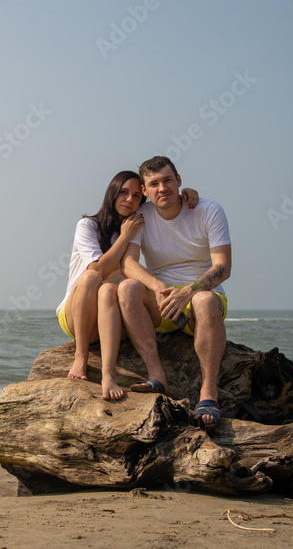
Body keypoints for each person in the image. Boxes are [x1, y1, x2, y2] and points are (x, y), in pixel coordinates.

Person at [57, 170, 198, 400]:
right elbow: (98, 270)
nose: (129, 200)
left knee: (109, 289)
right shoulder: (88, 225)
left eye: (135, 196)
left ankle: (108, 375)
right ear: (112, 192)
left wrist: (187, 195)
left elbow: (163, 205)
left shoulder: (137, 225)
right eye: (123, 193)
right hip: (77, 316)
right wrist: (123, 237)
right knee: (93, 278)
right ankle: (80, 358)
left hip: (112, 318)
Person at [118, 156, 231, 427]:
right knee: (127, 288)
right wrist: (158, 286)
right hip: (164, 300)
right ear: (144, 191)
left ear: (179, 181)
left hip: (202, 297)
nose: (162, 188)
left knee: (203, 300)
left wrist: (188, 292)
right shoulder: (141, 216)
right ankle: (157, 376)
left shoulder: (208, 210)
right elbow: (128, 263)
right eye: (154, 183)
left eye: (167, 180)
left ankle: (208, 394)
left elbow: (223, 268)